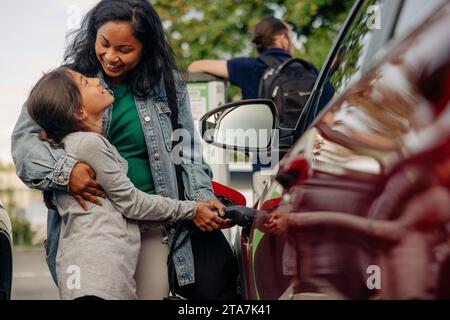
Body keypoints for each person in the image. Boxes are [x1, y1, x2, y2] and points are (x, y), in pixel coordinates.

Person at [11, 0, 232, 299]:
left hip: (155, 224)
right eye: (104, 44)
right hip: (94, 233)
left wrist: (202, 197)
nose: (111, 57)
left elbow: (188, 153)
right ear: (93, 36)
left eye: (125, 50)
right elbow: (24, 142)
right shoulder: (68, 82)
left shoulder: (166, 84)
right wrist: (66, 171)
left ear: (146, 48)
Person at [26, 67, 224, 300]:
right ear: (79, 111)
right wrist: (191, 209)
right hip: (99, 273)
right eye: (85, 82)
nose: (94, 79)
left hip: (89, 268)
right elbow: (131, 202)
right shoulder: (89, 145)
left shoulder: (73, 145)